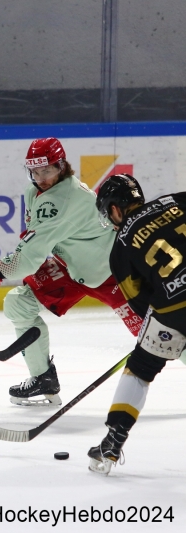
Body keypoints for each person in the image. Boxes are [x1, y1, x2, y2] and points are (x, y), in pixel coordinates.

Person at [0, 138, 142, 406]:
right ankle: (42, 378)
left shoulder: (66, 199)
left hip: (111, 273)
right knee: (19, 303)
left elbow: (31, 254)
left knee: (164, 332)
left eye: (47, 171)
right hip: (70, 267)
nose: (40, 178)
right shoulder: (34, 193)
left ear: (62, 166)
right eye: (35, 171)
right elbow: (36, 241)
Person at [88, 174, 186, 474]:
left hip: (174, 308)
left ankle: (113, 440)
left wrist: (155, 335)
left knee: (140, 368)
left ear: (116, 209)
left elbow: (142, 305)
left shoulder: (120, 249)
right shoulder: (176, 200)